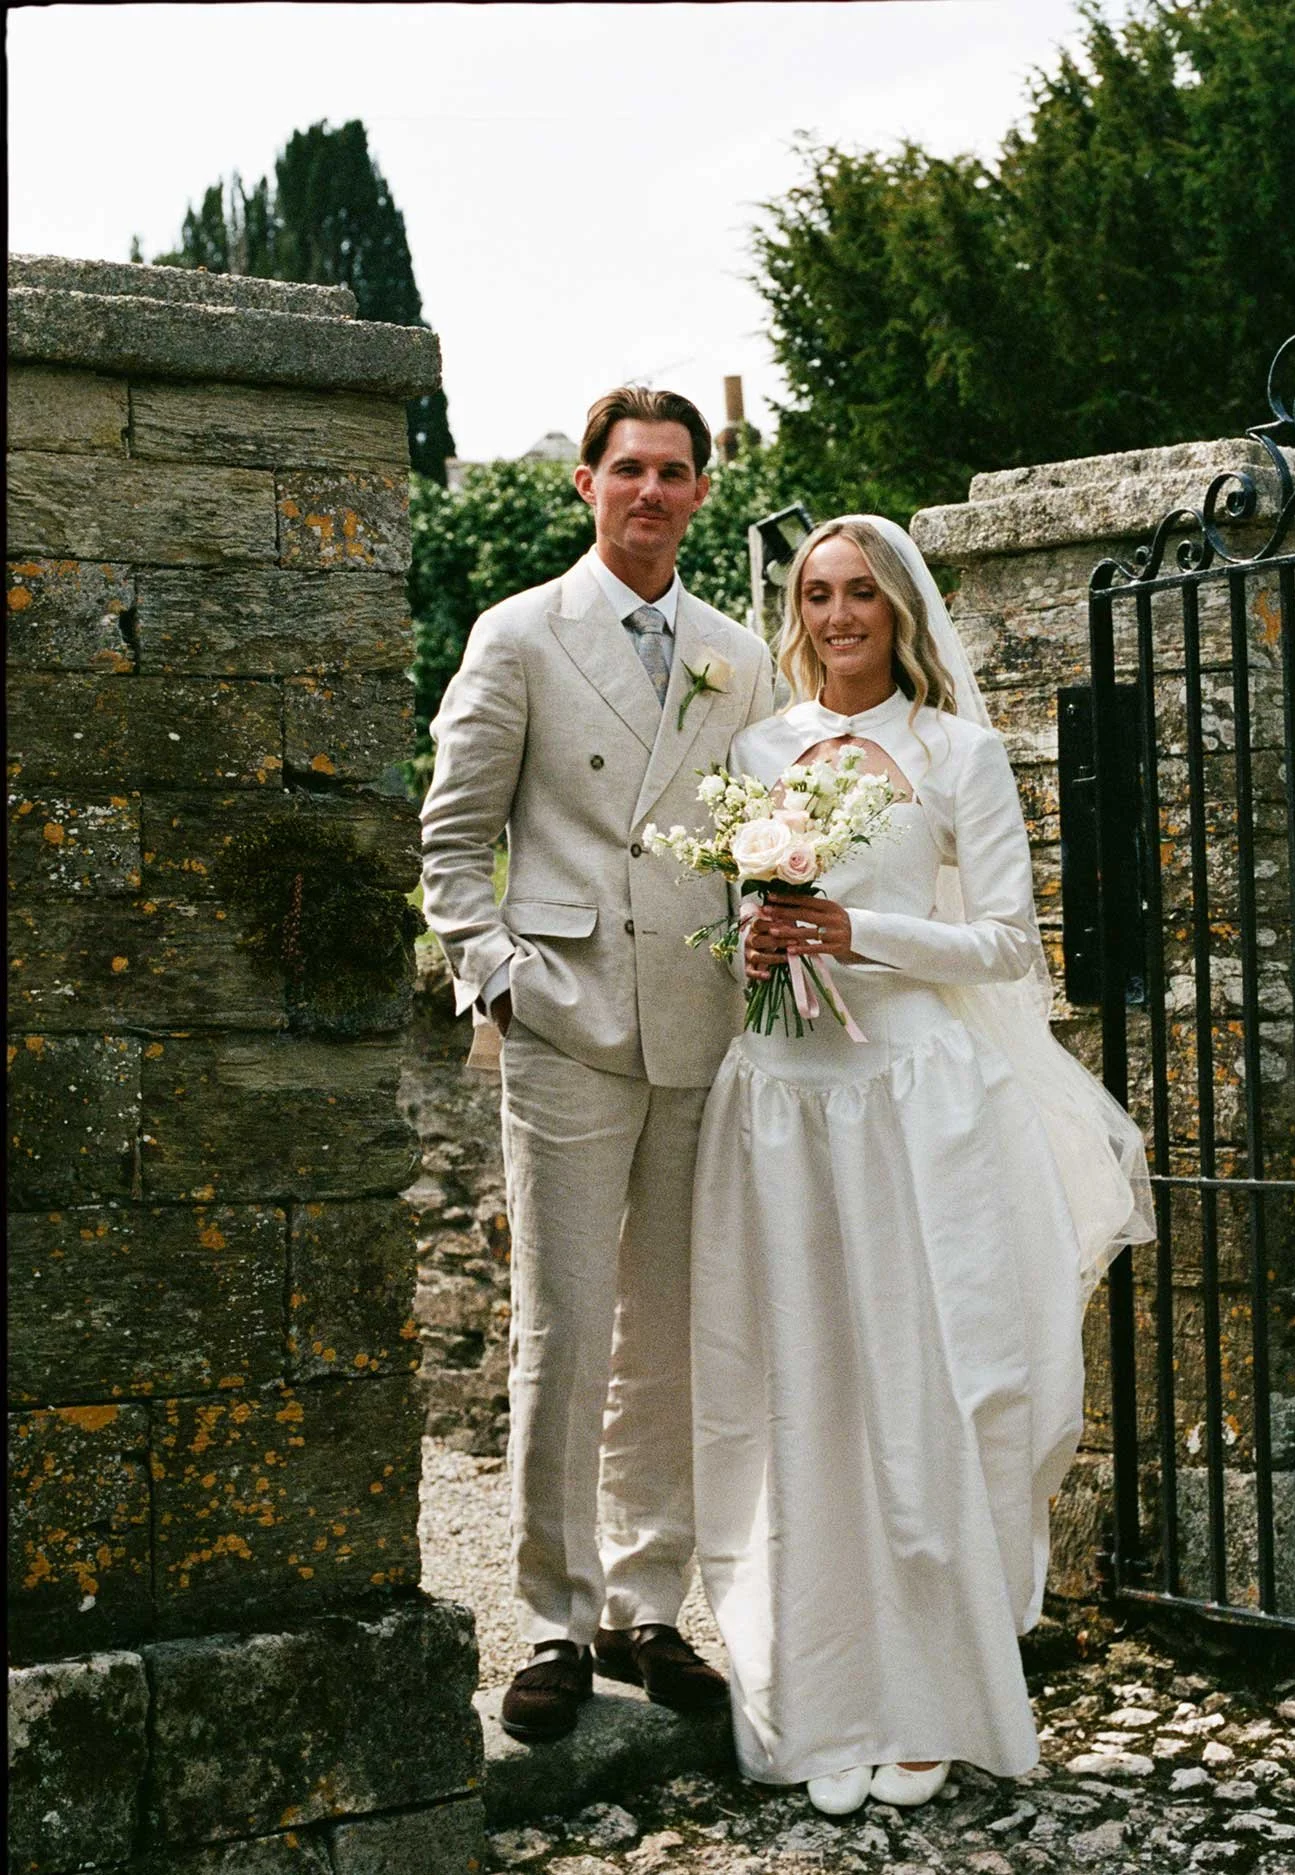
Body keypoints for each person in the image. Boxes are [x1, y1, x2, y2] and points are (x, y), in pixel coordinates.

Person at [689, 516, 1154, 1813]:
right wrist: (759, 945)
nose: (838, 616)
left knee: (927, 1392)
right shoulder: (761, 747)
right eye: (817, 595)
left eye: (861, 595)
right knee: (804, 1402)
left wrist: (860, 928)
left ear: (899, 609)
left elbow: (1008, 943)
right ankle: (825, 1694)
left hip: (915, 1106)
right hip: (787, 1102)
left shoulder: (959, 752)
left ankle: (935, 1697)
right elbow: (738, 915)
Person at [420, 387, 775, 1743]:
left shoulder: (739, 656)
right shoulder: (518, 635)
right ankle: (555, 1618)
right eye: (627, 469)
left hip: (699, 1024)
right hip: (567, 1022)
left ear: (699, 492)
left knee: (670, 1335)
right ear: (585, 485)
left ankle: (648, 1603)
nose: (649, 492)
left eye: (674, 473)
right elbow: (454, 839)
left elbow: (763, 825)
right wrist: (499, 973)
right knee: (563, 1330)